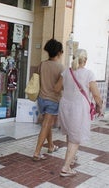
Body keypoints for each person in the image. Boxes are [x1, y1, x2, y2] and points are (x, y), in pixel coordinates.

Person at [55, 49, 103, 177]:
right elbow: (96, 95)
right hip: (79, 108)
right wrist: (100, 106)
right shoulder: (88, 74)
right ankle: (66, 168)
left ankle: (72, 156)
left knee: (70, 133)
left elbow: (57, 88)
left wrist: (69, 93)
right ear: (85, 60)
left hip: (65, 106)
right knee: (75, 138)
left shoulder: (66, 72)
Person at [32, 39, 64, 161]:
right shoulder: (61, 68)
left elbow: (36, 79)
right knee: (46, 124)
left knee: (47, 124)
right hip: (53, 100)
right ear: (59, 53)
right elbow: (60, 87)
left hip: (41, 99)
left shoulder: (42, 64)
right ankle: (37, 152)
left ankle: (51, 146)